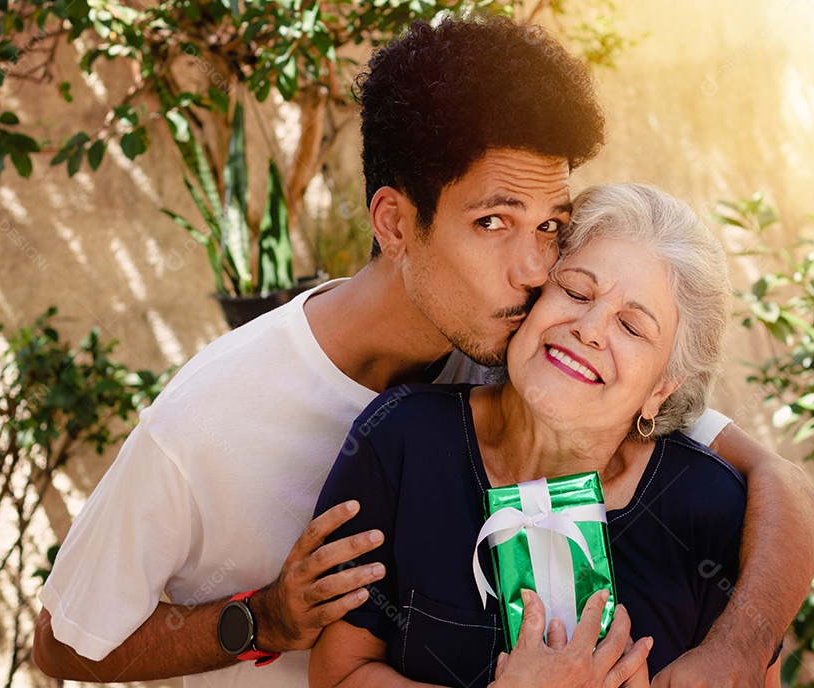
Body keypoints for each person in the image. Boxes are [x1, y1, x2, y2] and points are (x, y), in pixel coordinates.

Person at [32, 16, 814, 687]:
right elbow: (61, 644)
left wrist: (736, 651)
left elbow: (777, 480)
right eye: (492, 223)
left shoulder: (523, 341)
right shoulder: (210, 419)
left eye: (550, 225)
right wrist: (261, 617)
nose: (536, 268)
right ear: (395, 223)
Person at [309, 183, 780, 687]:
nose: (591, 328)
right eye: (576, 292)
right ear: (533, 298)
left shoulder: (708, 508)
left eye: (633, 327)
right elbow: (339, 674)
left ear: (661, 389)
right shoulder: (402, 439)